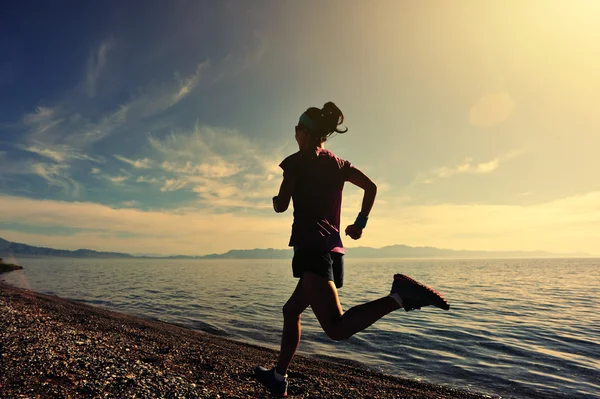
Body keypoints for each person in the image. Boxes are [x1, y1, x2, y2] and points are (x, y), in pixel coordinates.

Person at [255, 102, 450, 397]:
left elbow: (281, 206)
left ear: (305, 132)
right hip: (333, 249)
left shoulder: (295, 162)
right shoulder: (339, 164)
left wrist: (275, 199)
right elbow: (371, 187)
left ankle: (399, 296)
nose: (294, 133)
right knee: (291, 310)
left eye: (297, 128)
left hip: (311, 248)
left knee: (335, 328)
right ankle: (278, 377)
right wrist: (360, 223)